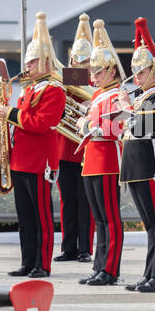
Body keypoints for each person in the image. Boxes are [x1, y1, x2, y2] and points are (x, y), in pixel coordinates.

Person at [0, 12, 64, 278]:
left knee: (41, 218)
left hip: (39, 162)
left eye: (33, 62)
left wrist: (10, 114)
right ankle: (27, 261)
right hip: (21, 160)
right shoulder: (28, 90)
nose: (28, 66)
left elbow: (41, 123)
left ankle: (42, 264)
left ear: (46, 62)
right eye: (28, 62)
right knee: (25, 217)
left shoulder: (54, 90)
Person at [119, 18, 155, 293]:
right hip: (136, 167)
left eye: (141, 72)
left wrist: (126, 107)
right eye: (135, 72)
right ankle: (148, 272)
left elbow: (144, 126)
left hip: (151, 166)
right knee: (149, 225)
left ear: (153, 71)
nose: (136, 77)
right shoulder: (142, 98)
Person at [78, 19, 125, 286]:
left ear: (110, 71)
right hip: (91, 160)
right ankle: (99, 267)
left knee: (110, 218)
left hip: (107, 160)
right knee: (99, 219)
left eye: (97, 70)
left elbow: (116, 128)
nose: (93, 75)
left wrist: (89, 124)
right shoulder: (97, 95)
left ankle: (110, 269)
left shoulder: (117, 94)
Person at [55, 14, 94, 264]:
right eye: (76, 60)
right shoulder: (64, 81)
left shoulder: (95, 84)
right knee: (67, 200)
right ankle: (68, 247)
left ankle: (84, 248)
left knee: (85, 201)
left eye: (84, 61)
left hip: (86, 149)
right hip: (65, 147)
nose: (79, 65)